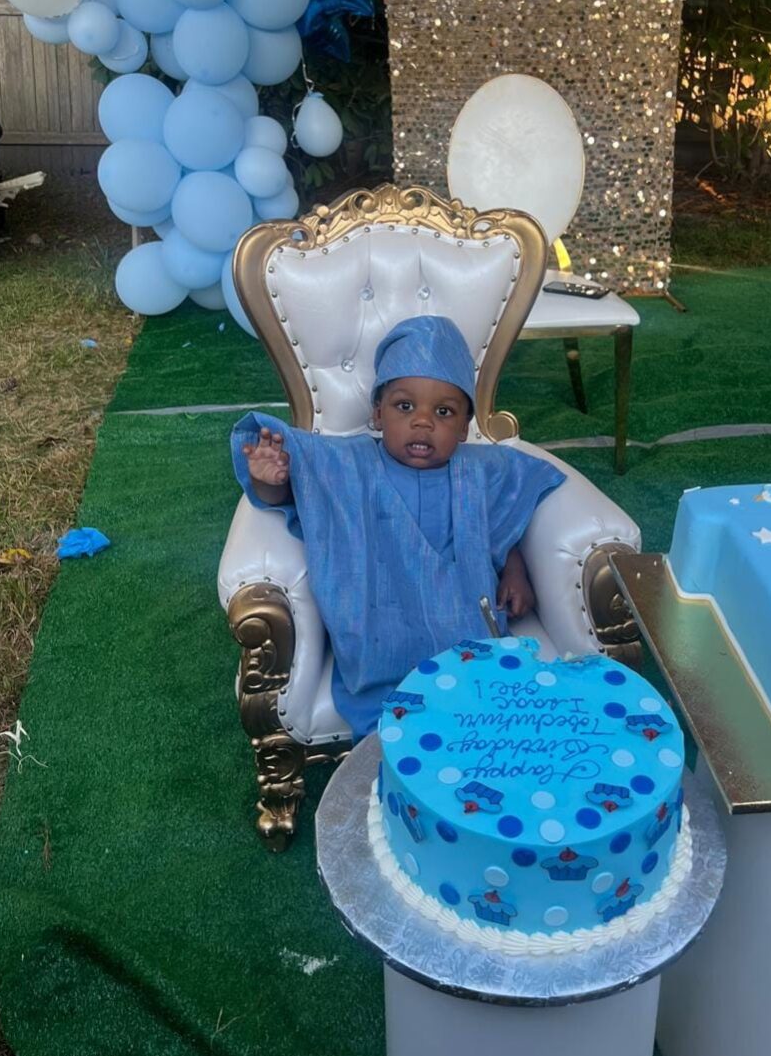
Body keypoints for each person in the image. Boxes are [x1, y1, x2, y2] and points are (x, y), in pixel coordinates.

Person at [231, 315, 565, 739]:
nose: (423, 422)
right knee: (403, 729)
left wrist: (515, 571)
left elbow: (501, 523)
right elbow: (302, 495)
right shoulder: (348, 465)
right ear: (377, 414)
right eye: (405, 407)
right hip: (380, 630)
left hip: (463, 623)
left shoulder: (480, 470)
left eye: (443, 412)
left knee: (490, 721)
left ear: (465, 427)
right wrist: (270, 477)